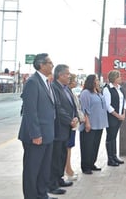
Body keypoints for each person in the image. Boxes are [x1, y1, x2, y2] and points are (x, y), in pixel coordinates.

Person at [18, 53, 56, 199]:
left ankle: (41, 194)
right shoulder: (33, 82)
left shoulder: (46, 82)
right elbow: (30, 111)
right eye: (50, 62)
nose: (52, 65)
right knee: (32, 170)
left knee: (44, 169)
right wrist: (36, 134)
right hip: (36, 136)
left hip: (47, 134)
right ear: (41, 65)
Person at [48, 64, 78, 195]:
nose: (69, 76)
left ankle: (59, 178)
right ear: (60, 75)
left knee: (62, 155)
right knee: (56, 157)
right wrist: (69, 120)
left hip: (67, 128)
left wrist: (76, 117)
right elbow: (58, 108)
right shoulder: (54, 88)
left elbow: (73, 106)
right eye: (67, 74)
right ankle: (52, 184)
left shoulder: (66, 88)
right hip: (59, 128)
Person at [79, 74, 109, 174]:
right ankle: (85, 166)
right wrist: (87, 122)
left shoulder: (98, 93)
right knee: (87, 146)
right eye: (96, 80)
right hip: (90, 124)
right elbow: (84, 109)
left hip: (99, 123)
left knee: (95, 145)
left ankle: (92, 163)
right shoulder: (86, 93)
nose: (98, 82)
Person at [103, 70, 126, 166]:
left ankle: (114, 156)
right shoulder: (107, 89)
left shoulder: (120, 88)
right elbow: (108, 106)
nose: (121, 78)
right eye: (119, 77)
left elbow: (124, 101)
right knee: (110, 137)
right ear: (114, 78)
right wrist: (117, 115)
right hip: (112, 117)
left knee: (114, 136)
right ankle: (110, 158)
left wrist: (123, 113)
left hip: (120, 116)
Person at [65, 73, 83, 181]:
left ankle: (68, 169)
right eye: (75, 80)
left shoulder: (70, 92)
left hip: (73, 123)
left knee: (69, 148)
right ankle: (67, 170)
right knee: (67, 148)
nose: (76, 82)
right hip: (68, 124)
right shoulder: (66, 91)